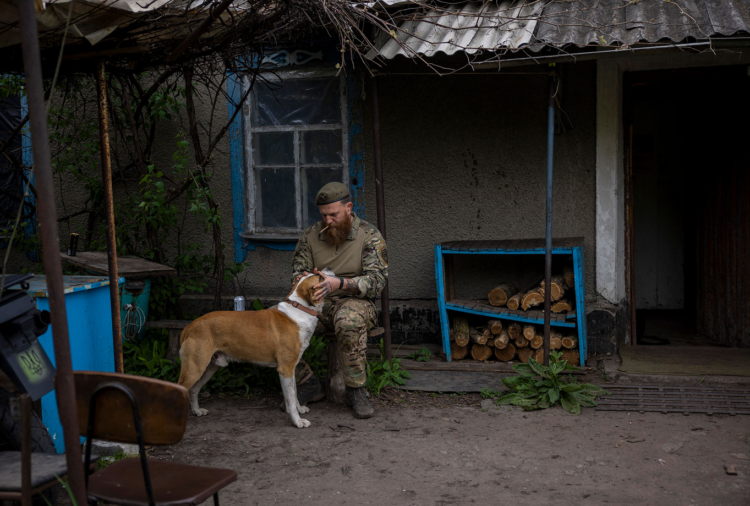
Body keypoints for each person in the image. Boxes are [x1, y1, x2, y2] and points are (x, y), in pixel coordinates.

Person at [290, 182, 388, 418]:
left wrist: (342, 284)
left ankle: (356, 389)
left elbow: (377, 281)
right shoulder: (310, 235)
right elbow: (297, 274)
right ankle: (307, 382)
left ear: (348, 208)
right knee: (276, 323)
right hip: (317, 302)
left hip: (356, 302)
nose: (328, 221)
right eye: (324, 215)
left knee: (348, 319)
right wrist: (308, 280)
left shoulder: (368, 234)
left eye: (333, 214)